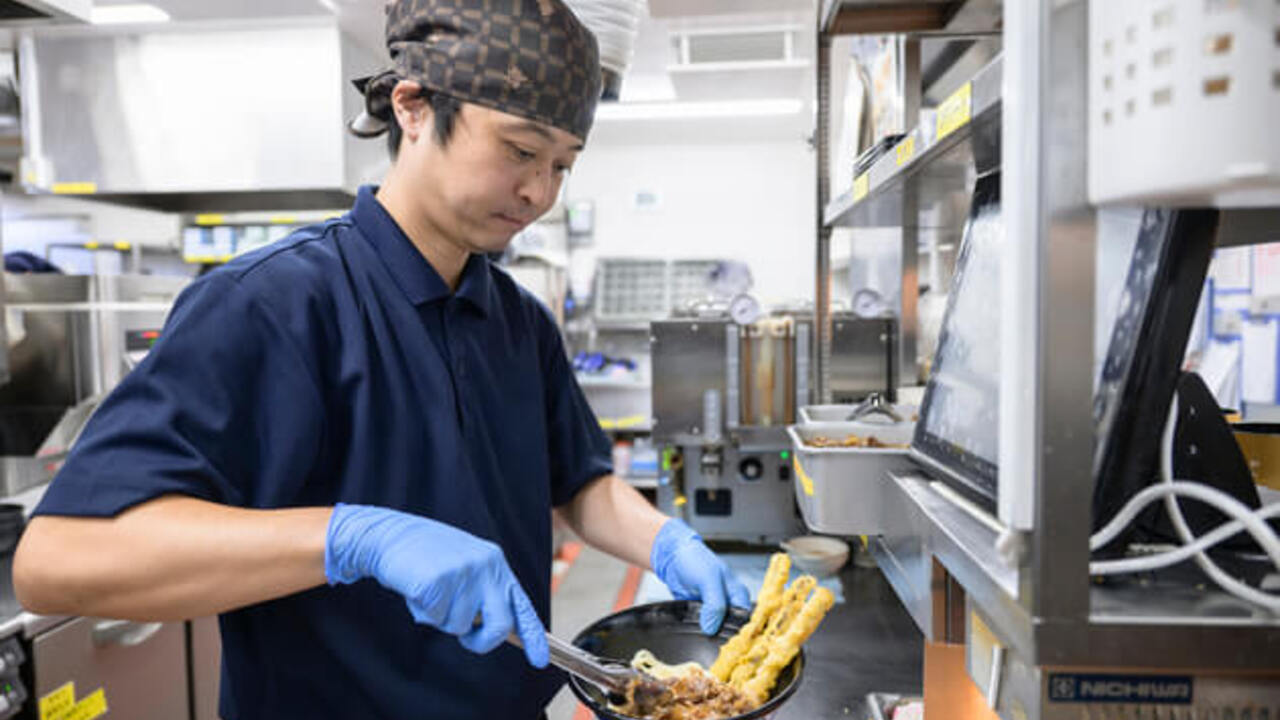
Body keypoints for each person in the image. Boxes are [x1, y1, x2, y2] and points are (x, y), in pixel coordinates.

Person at [12, 2, 750, 718]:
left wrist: (666, 541)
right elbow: (57, 561)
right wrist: (349, 539)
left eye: (563, 164)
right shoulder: (274, 306)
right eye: (521, 151)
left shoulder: (518, 321)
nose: (539, 193)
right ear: (413, 107)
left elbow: (579, 483)